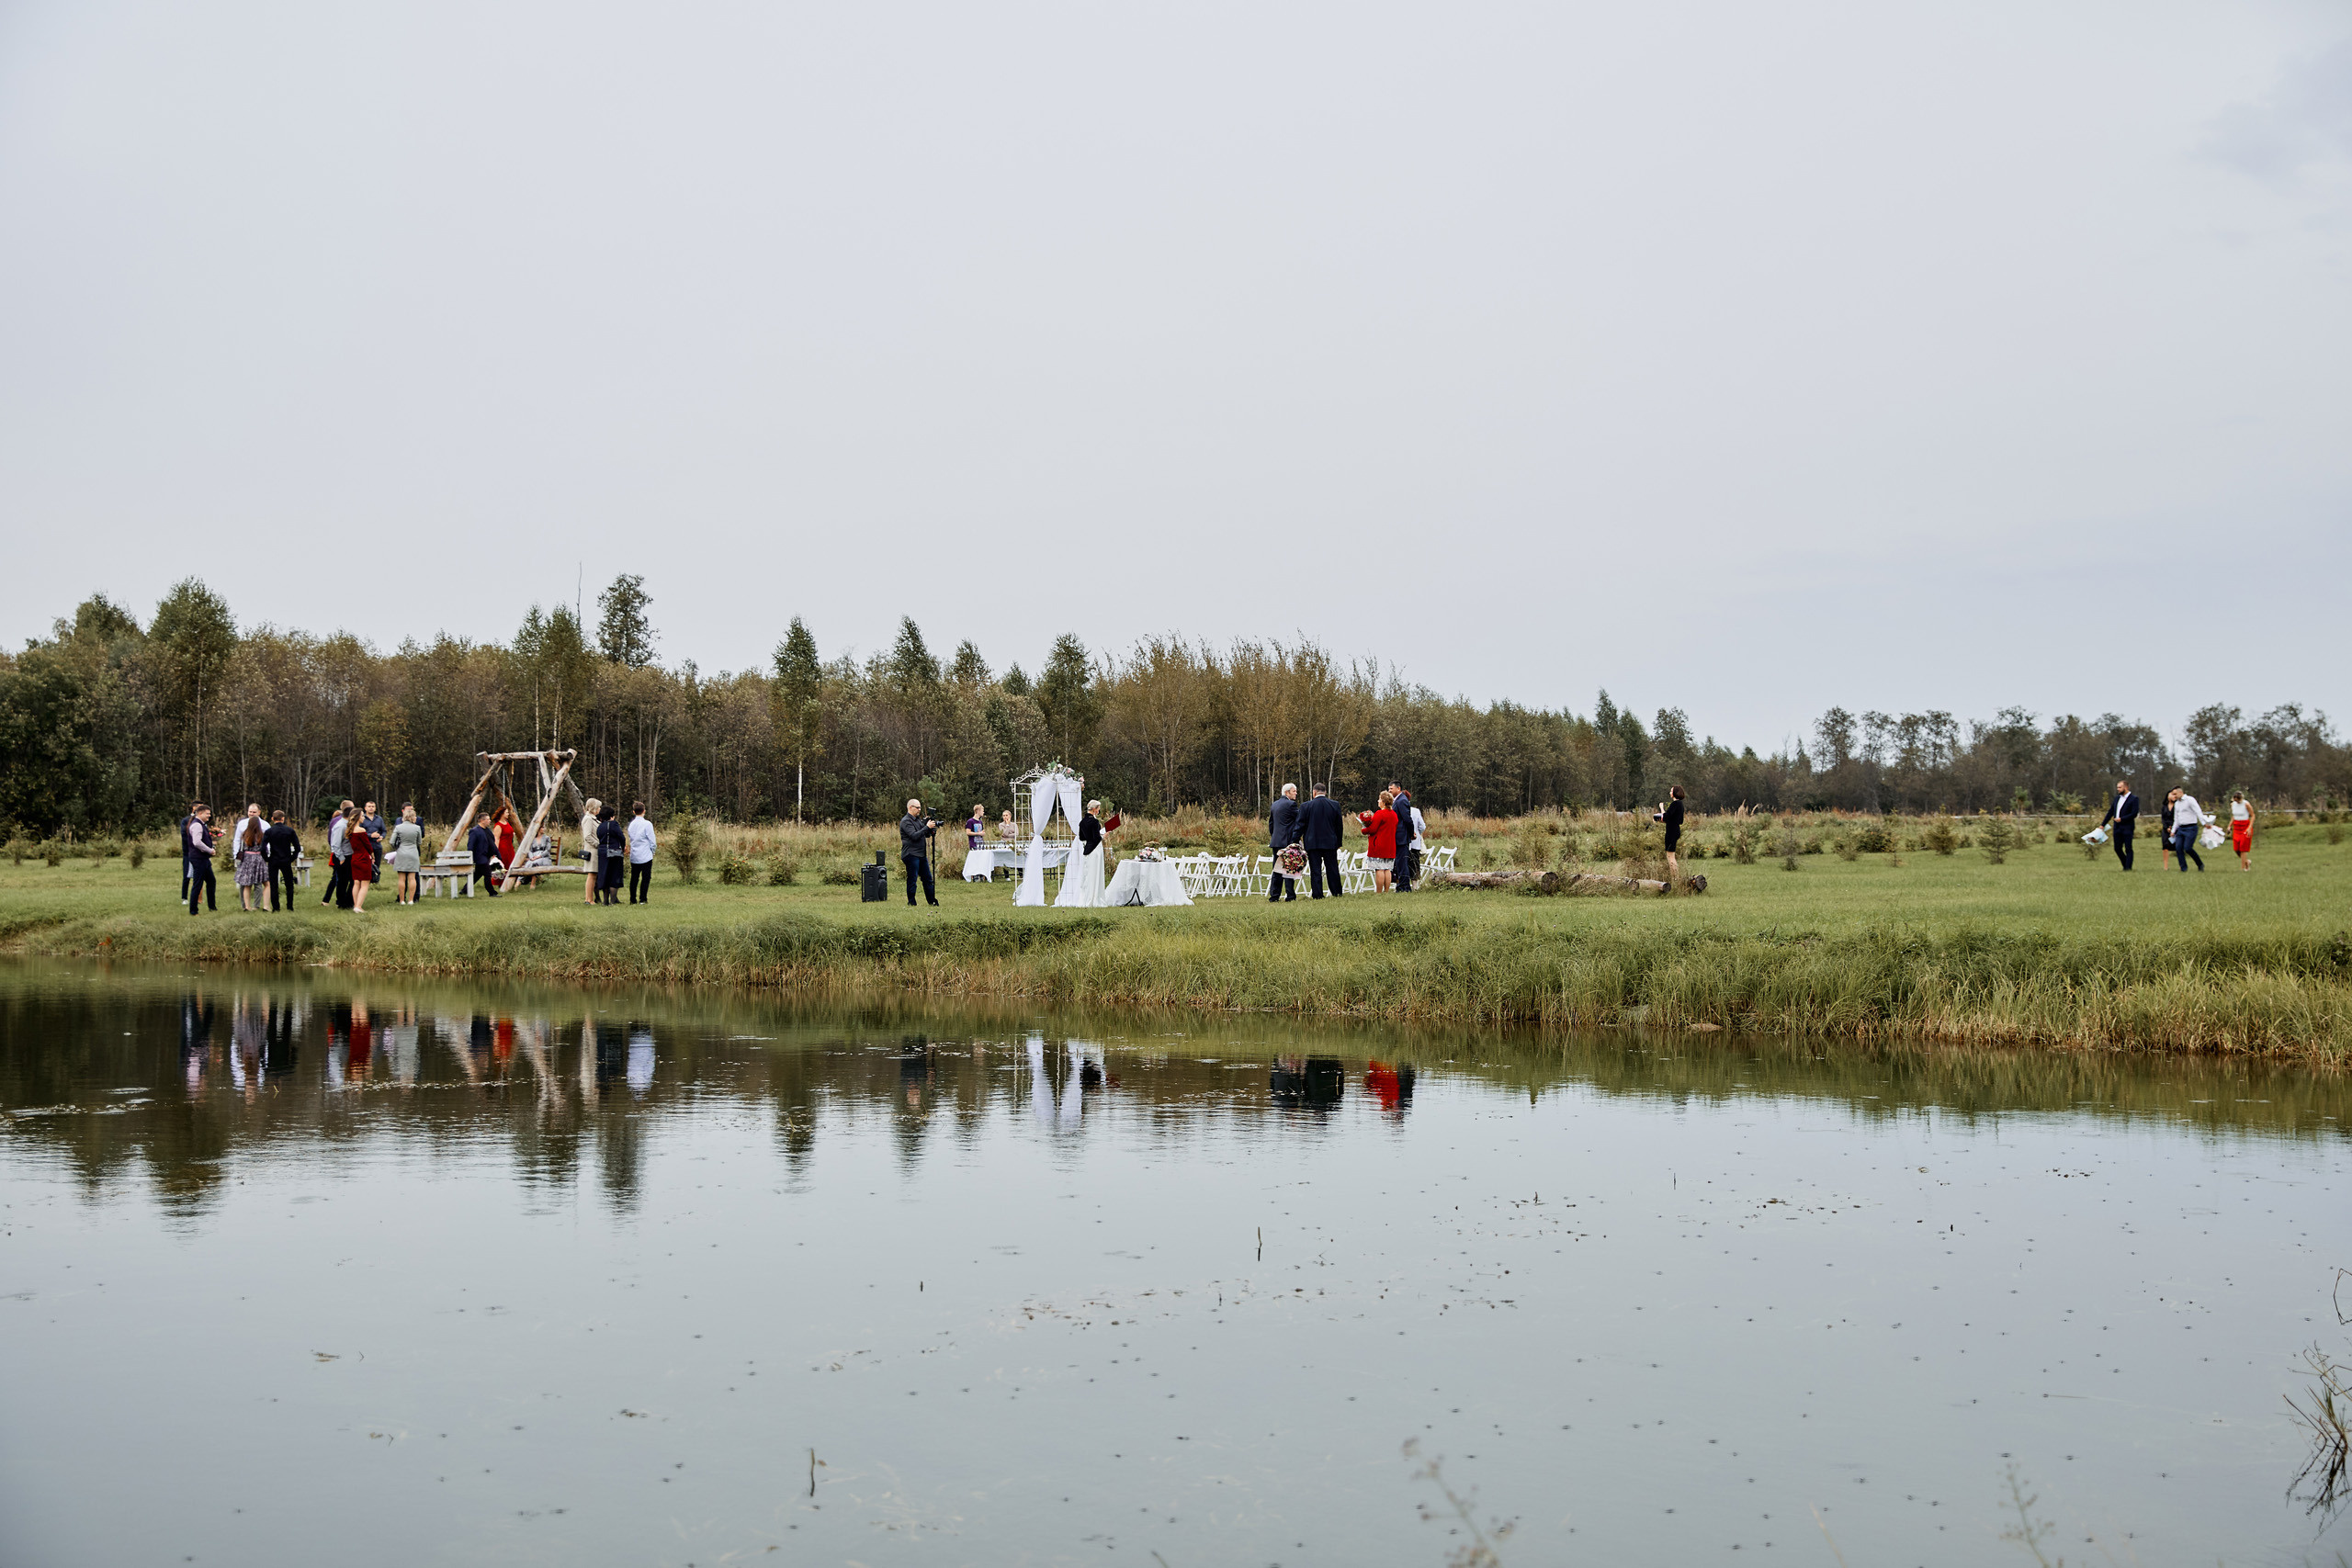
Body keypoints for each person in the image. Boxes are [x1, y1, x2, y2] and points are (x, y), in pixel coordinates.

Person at [1056, 799, 1108, 907]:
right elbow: (1096, 838)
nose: (1099, 811)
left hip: (1087, 849)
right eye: (1098, 809)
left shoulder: (1082, 822)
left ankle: (1086, 897)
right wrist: (1103, 836)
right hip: (1095, 849)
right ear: (1094, 809)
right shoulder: (1094, 822)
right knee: (1095, 874)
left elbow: (1082, 837)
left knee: (1088, 875)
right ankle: (1094, 898)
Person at [1299, 783, 1346, 898]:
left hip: (1312, 842)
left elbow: (1300, 825)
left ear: (1314, 792)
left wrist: (1295, 841)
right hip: (1330, 842)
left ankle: (1318, 894)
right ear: (1325, 792)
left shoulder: (1306, 806)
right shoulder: (1334, 805)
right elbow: (1339, 826)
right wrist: (1338, 842)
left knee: (1315, 870)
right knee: (1332, 868)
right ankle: (1336, 892)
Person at [899, 797, 940, 907]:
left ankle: (932, 901)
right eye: (917, 807)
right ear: (910, 807)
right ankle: (911, 902)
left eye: (920, 807)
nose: (919, 810)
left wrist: (929, 828)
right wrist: (926, 827)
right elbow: (914, 836)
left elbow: (925, 834)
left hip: (921, 854)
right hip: (911, 854)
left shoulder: (917, 820)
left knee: (927, 879)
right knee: (912, 879)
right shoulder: (906, 821)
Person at [1357, 791, 1399, 893]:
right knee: (1388, 869)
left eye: (1380, 799)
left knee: (1379, 869)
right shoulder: (1394, 815)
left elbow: (1372, 829)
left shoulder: (1380, 814)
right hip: (1390, 846)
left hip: (1379, 845)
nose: (1378, 801)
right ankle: (1386, 891)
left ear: (1384, 802)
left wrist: (1364, 829)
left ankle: (1379, 892)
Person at [1268, 783, 1303, 903]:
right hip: (1287, 841)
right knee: (1288, 868)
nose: (1296, 793)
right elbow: (1299, 820)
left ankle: (1274, 896)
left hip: (1276, 841)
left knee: (1276, 869)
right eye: (1294, 791)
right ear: (1287, 792)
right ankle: (1290, 896)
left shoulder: (1275, 804)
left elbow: (1271, 824)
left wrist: (1274, 837)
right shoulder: (1291, 804)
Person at [262, 810, 302, 911]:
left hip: (274, 860)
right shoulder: (289, 831)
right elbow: (297, 847)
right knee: (289, 884)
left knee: (274, 884)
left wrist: (267, 858)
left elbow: (262, 848)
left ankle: (276, 908)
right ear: (283, 819)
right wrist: (292, 858)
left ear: (272, 819)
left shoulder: (269, 832)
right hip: (286, 860)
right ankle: (290, 907)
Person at [2097, 780, 2139, 871]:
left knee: (2128, 848)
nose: (2118, 789)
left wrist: (2122, 819)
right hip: (2117, 827)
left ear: (2126, 787)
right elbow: (2111, 811)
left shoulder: (2134, 799)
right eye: (2117, 787)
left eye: (2120, 787)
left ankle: (2128, 868)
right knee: (2117, 848)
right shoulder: (2117, 799)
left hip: (2127, 827)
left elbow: (2134, 813)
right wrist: (2103, 824)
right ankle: (2125, 864)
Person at [388, 805, 426, 905]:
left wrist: (397, 847)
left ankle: (401, 900)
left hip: (401, 852)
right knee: (412, 878)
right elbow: (419, 842)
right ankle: (411, 900)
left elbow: (392, 841)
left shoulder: (398, 827)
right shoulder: (417, 828)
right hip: (413, 852)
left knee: (401, 878)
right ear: (413, 817)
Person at [233, 804, 268, 911]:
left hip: (255, 857)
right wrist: (236, 854)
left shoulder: (265, 825)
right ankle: (245, 905)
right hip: (245, 856)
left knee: (257, 883)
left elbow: (268, 844)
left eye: (254, 812)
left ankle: (255, 905)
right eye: (250, 812)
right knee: (244, 882)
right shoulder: (242, 824)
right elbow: (237, 840)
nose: (251, 814)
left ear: (259, 812)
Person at [186, 805, 219, 915]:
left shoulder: (202, 824)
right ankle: (193, 910)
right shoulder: (197, 825)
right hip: (199, 858)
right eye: (207, 814)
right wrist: (210, 850)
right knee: (198, 884)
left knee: (211, 881)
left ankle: (212, 907)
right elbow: (197, 842)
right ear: (200, 813)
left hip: (203, 859)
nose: (209, 816)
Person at [322, 800, 355, 908]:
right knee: (342, 881)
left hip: (348, 855)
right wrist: (341, 858)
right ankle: (341, 903)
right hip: (342, 856)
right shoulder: (340, 826)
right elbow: (335, 845)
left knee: (350, 880)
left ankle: (348, 902)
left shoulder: (348, 825)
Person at [1654, 785, 1686, 887]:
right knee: (1672, 855)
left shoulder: (1675, 804)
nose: (1670, 792)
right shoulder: (1680, 805)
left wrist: (1662, 808)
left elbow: (1666, 817)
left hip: (1671, 832)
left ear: (1675, 792)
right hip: (1675, 830)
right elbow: (1679, 821)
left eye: (1671, 791)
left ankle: (1675, 878)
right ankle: (1675, 878)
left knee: (1670, 857)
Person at [345, 807, 377, 910]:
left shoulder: (350, 830)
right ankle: (358, 906)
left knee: (356, 883)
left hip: (355, 858)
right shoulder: (361, 830)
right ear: (357, 817)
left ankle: (356, 905)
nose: (363, 817)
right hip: (363, 858)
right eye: (362, 815)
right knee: (365, 884)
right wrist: (372, 855)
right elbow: (368, 845)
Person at [626, 802, 657, 904]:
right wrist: (653, 851)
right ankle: (643, 899)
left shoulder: (631, 825)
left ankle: (632, 899)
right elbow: (652, 841)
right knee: (646, 878)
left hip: (634, 855)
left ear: (634, 812)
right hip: (646, 855)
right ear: (644, 811)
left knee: (634, 878)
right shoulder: (647, 824)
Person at [467, 811, 503, 897]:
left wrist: (498, 854)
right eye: (488, 819)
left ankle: (464, 890)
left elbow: (492, 844)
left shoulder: (488, 831)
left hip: (486, 856)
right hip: (479, 857)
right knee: (487, 874)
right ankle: (492, 892)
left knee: (477, 875)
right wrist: (471, 857)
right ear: (482, 821)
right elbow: (470, 845)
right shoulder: (474, 831)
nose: (490, 821)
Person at [1389, 783, 1417, 891]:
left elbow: (1407, 819)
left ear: (1398, 788)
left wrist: (1411, 833)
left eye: (1391, 788)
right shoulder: (1397, 800)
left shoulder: (1402, 801)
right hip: (1398, 836)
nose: (1389, 790)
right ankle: (1401, 885)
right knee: (1399, 863)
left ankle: (1404, 886)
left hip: (1401, 836)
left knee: (1402, 862)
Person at [597, 805, 628, 905]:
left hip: (602, 852)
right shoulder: (614, 824)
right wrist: (623, 848)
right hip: (614, 852)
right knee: (614, 876)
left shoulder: (600, 826)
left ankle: (605, 901)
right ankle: (612, 901)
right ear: (611, 815)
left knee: (605, 875)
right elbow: (621, 837)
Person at [2171, 788, 2206, 873]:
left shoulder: (2190, 800)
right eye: (2173, 794)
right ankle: (2183, 868)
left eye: (2175, 794)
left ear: (2180, 792)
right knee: (2178, 848)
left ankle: (2200, 864)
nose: (2174, 796)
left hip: (2191, 828)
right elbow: (2176, 818)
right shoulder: (2176, 804)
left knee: (2188, 848)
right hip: (2181, 828)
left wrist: (2204, 823)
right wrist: (2173, 830)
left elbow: (2198, 811)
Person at [581, 798, 603, 906]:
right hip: (592, 850)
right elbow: (587, 836)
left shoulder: (594, 819)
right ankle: (588, 899)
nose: (600, 809)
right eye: (598, 807)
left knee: (594, 875)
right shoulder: (588, 819)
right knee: (591, 874)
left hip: (595, 851)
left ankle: (590, 898)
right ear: (594, 808)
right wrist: (598, 844)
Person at [360, 802, 387, 886]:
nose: (371, 808)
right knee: (367, 864)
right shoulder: (361, 818)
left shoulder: (379, 819)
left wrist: (382, 837)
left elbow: (384, 830)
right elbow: (359, 832)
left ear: (375, 808)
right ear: (365, 808)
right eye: (369, 806)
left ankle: (375, 882)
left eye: (373, 806)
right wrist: (370, 835)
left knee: (377, 864)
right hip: (366, 846)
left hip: (377, 845)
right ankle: (366, 881)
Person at [2229, 791, 2254, 869]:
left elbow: (2253, 816)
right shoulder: (2233, 805)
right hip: (2236, 827)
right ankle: (2247, 862)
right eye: (2235, 800)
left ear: (2241, 798)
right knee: (2236, 849)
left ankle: (2243, 869)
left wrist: (2249, 828)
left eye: (2238, 800)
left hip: (2245, 827)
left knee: (2243, 848)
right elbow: (2234, 816)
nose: (2237, 801)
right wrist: (2229, 826)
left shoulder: (2246, 804)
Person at [2157, 789, 2177, 872]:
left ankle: (2181, 865)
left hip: (2176, 828)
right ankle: (2165, 866)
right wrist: (2166, 828)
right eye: (2172, 794)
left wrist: (2173, 828)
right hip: (2166, 829)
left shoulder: (2178, 806)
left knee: (2178, 847)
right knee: (2165, 847)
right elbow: (2163, 818)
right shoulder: (2164, 807)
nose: (2174, 796)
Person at [495, 809, 518, 877]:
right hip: (503, 847)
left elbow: (508, 832)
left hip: (510, 846)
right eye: (507, 812)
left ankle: (510, 879)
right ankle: (501, 881)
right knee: (504, 864)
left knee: (511, 863)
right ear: (502, 814)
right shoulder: (498, 825)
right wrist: (496, 851)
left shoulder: (506, 822)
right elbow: (496, 838)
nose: (508, 814)